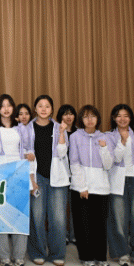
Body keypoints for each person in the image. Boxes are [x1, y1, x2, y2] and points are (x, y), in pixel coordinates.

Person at [0, 94, 36, 266]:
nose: (6, 109)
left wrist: (30, 168)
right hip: (0, 172)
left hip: (19, 172)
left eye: (9, 105)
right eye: (2, 106)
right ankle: (4, 256)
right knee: (1, 215)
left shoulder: (21, 128)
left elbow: (27, 150)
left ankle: (19, 255)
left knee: (20, 215)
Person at [106, 104, 134, 266]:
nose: (122, 119)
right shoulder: (109, 136)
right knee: (119, 221)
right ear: (114, 118)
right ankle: (121, 253)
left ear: (131, 118)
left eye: (126, 116)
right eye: (119, 116)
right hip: (118, 181)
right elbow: (114, 159)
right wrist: (122, 142)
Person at [25, 95, 70, 266]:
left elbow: (62, 153)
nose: (43, 109)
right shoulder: (27, 128)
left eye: (47, 106)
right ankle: (38, 252)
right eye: (40, 106)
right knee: (37, 217)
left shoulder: (60, 127)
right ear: (35, 109)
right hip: (37, 178)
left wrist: (61, 133)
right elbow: (24, 154)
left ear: (52, 109)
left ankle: (57, 253)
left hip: (57, 178)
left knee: (58, 218)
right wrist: (31, 179)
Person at [69, 105, 114, 266]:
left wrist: (103, 148)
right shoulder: (75, 137)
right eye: (86, 116)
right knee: (83, 224)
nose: (90, 120)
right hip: (81, 187)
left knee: (100, 224)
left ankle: (101, 256)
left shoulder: (105, 137)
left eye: (93, 116)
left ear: (98, 119)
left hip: (101, 187)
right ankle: (86, 256)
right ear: (81, 119)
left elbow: (108, 164)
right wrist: (82, 186)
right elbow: (74, 162)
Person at [56, 104, 77, 244]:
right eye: (65, 114)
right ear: (60, 116)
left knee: (76, 207)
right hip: (61, 172)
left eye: (71, 113)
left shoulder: (79, 132)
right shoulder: (57, 131)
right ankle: (62, 235)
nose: (68, 117)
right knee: (61, 208)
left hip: (77, 174)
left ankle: (74, 234)